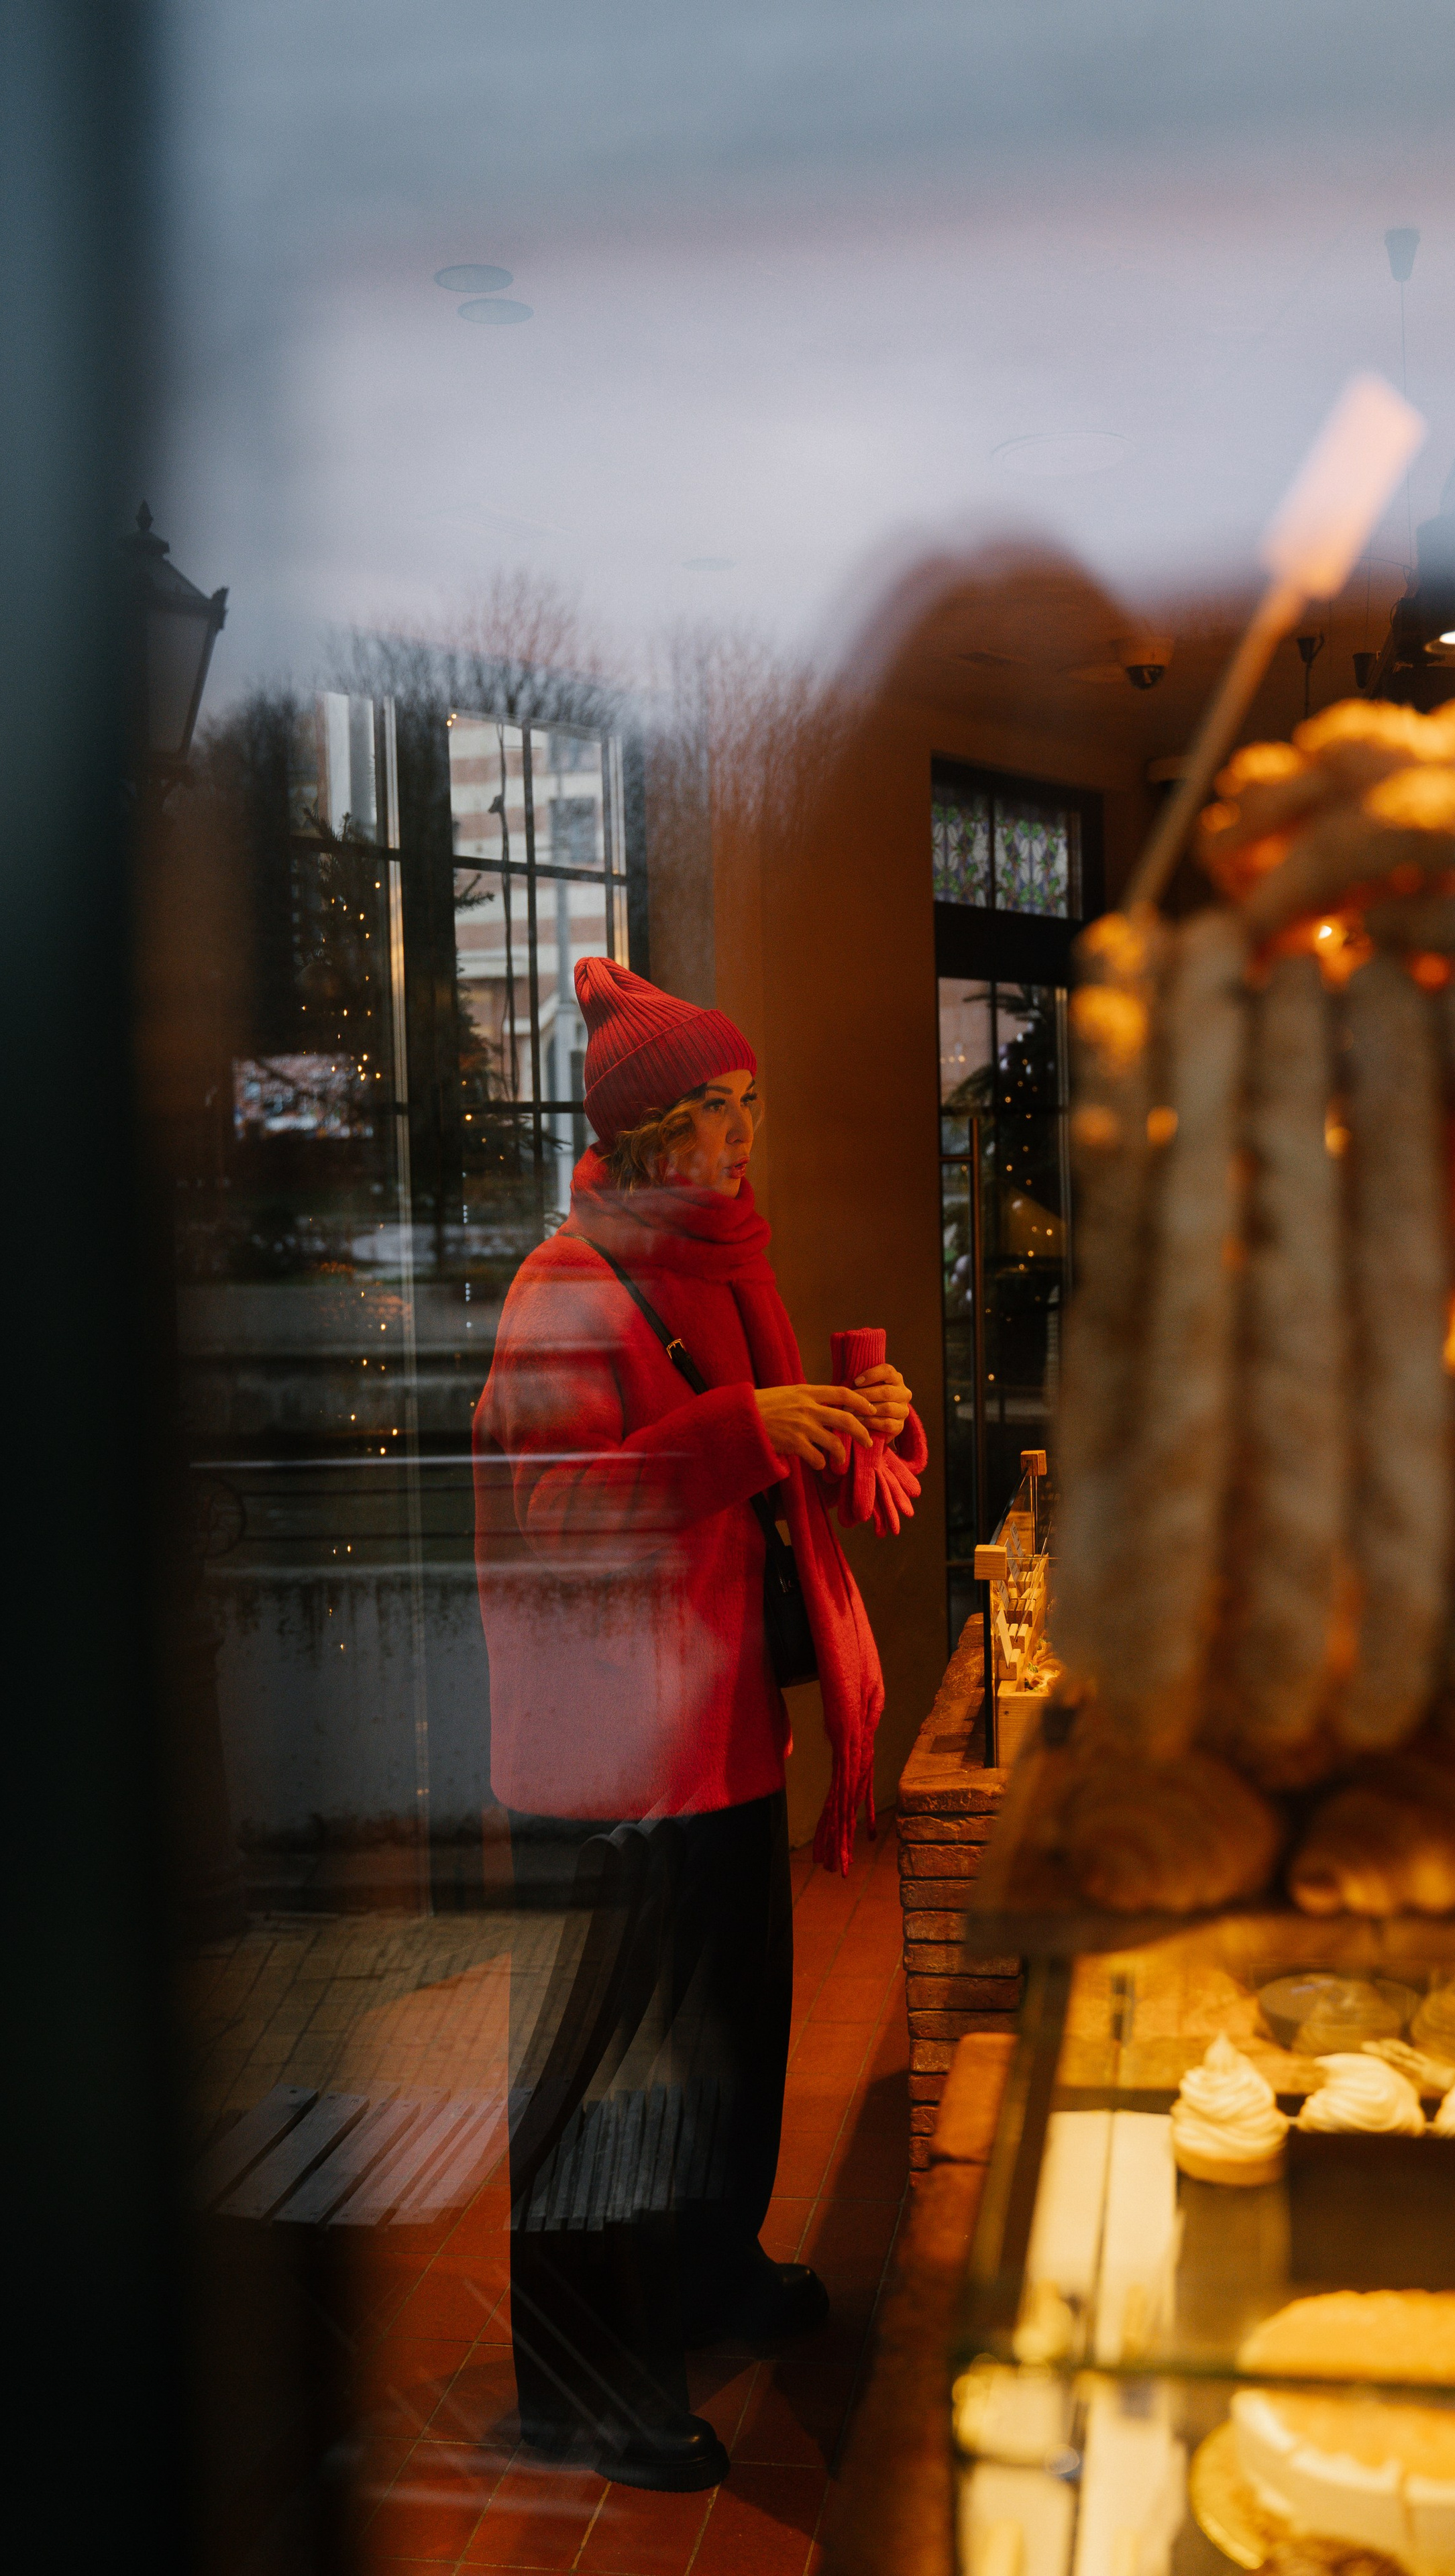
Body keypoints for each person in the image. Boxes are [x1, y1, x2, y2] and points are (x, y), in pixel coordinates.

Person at [472, 957, 919, 2491]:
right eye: (708, 1113)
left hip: (718, 1732)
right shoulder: (567, 1286)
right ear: (643, 1131)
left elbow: (767, 1473)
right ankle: (584, 2386)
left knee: (729, 2040)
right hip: (607, 1763)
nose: (739, 1139)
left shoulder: (730, 1264)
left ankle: (713, 2273)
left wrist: (856, 1422)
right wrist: (743, 1431)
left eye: (748, 1106)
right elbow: (546, 1514)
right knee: (610, 2081)